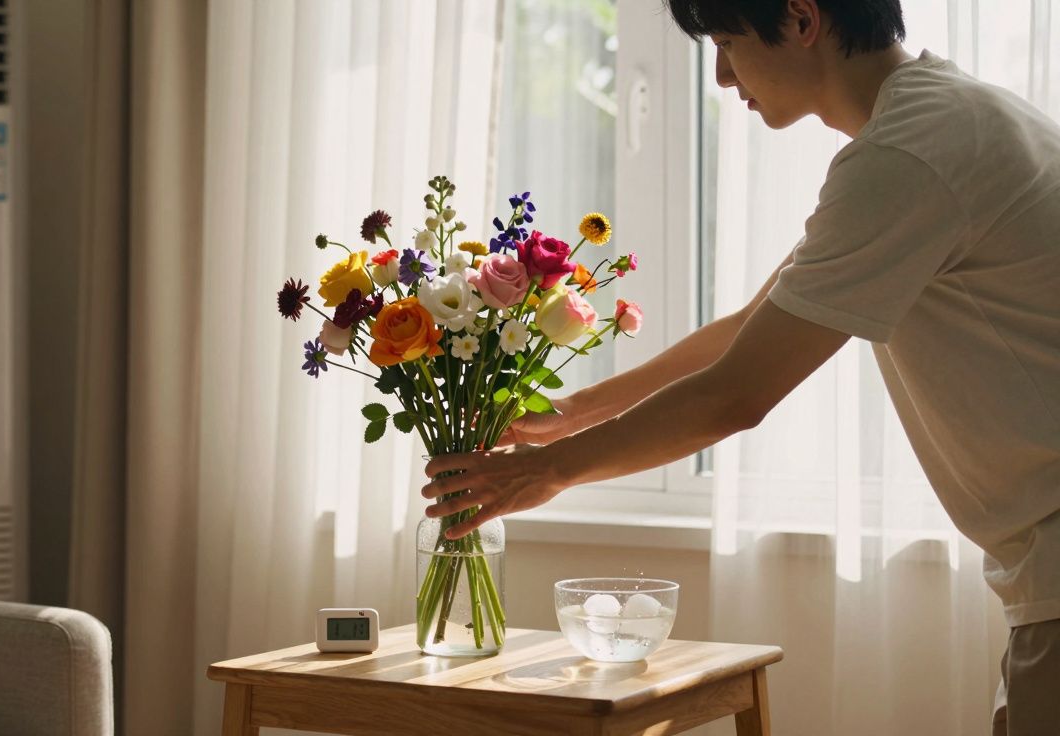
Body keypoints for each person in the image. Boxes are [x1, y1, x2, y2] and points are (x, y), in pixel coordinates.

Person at [419, 0, 1060, 732]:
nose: (722, 76)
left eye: (728, 42)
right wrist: (575, 412)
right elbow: (751, 330)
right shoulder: (943, 118)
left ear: (802, 18)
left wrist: (547, 472)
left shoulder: (906, 158)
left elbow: (736, 396)